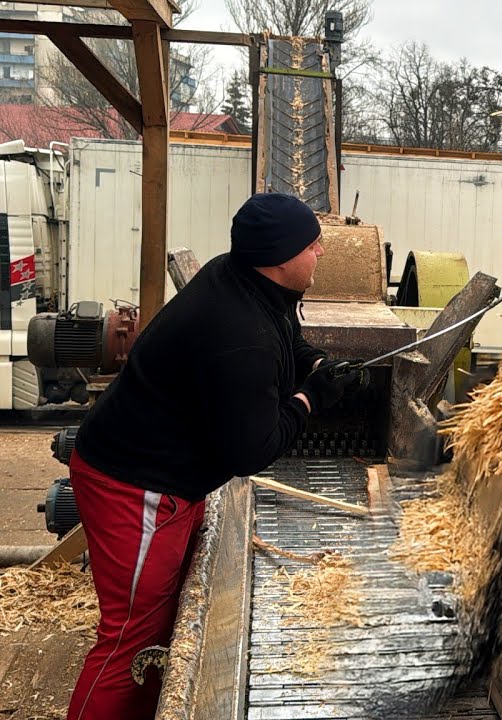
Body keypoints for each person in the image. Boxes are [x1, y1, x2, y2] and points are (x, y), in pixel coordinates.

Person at [65, 192, 363, 720]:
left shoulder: (245, 278)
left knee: (159, 624)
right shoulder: (238, 336)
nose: (320, 247)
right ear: (278, 256)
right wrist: (312, 398)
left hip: (166, 475)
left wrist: (317, 363)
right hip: (134, 485)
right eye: (309, 242)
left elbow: (286, 336)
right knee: (130, 637)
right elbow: (252, 450)